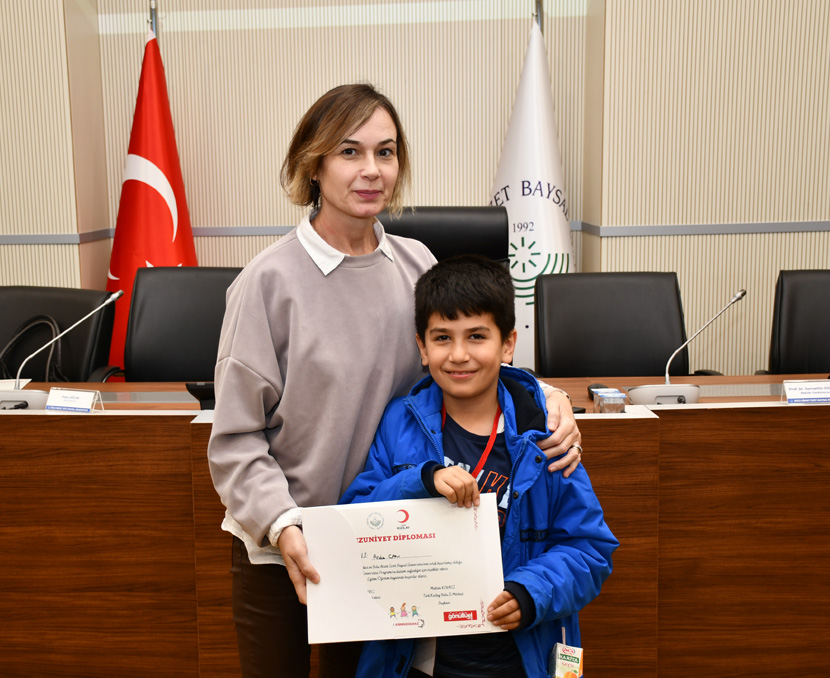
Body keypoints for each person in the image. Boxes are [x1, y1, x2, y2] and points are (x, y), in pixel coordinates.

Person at [206, 83, 584, 678]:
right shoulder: (266, 282)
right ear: (314, 164)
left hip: (385, 546)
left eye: (385, 152)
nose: (372, 170)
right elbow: (234, 439)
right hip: (282, 545)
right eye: (349, 152)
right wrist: (283, 525)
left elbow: (460, 364)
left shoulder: (416, 264)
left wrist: (547, 394)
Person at [341, 255, 618, 678]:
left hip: (519, 661)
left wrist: (531, 592)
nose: (458, 355)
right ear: (422, 347)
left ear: (508, 344)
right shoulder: (400, 423)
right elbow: (355, 521)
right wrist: (421, 480)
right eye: (442, 338)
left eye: (476, 336)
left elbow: (590, 548)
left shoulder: (545, 435)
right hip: (414, 662)